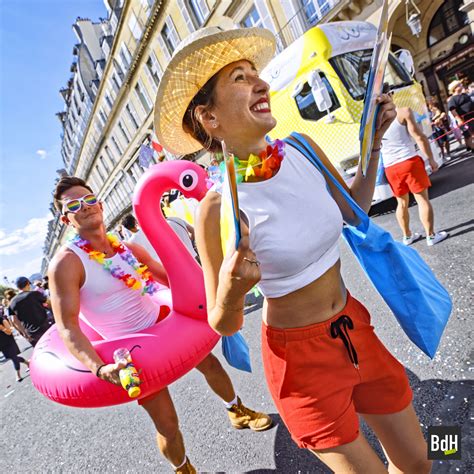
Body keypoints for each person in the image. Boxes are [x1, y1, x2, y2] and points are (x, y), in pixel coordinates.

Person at [153, 25, 432, 473]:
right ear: (210, 118)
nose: (260, 83)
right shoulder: (216, 208)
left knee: (418, 461)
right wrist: (231, 286)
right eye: (239, 79)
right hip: (299, 362)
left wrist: (374, 144)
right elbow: (222, 323)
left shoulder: (301, 149)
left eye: (253, 73)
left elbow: (354, 212)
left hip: (354, 326)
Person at [48, 176, 271, 474]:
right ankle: (183, 468)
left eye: (89, 200)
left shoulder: (128, 249)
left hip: (164, 325)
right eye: (74, 205)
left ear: (100, 204)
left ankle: (236, 410)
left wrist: (216, 298)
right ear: (66, 218)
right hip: (131, 352)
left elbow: (170, 279)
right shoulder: (66, 263)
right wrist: (99, 368)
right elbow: (68, 327)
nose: (85, 207)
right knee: (167, 424)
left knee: (212, 366)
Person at [381, 106, 449, 246]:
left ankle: (407, 236)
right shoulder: (403, 111)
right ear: (389, 95)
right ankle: (431, 236)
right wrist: (431, 158)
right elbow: (419, 137)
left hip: (390, 167)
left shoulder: (373, 120)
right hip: (408, 161)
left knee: (401, 203)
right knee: (422, 200)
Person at [122, 213, 199, 263]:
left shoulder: (131, 243)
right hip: (193, 255)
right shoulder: (175, 219)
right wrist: (190, 241)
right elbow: (193, 231)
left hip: (168, 266)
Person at [9, 277, 51, 346]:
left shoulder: (12, 302)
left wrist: (24, 333)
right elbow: (49, 303)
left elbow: (14, 320)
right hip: (45, 327)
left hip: (31, 333)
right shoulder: (34, 294)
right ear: (28, 283)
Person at [0, 313, 30, 382]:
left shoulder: (2, 320)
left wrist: (2, 328)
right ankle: (27, 363)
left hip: (9, 342)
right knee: (12, 357)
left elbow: (9, 332)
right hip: (2, 345)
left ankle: (18, 375)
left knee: (14, 358)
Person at [447, 79, 474, 152]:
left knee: (470, 135)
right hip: (464, 118)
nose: (461, 85)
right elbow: (453, 110)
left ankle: (469, 147)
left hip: (472, 116)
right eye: (459, 85)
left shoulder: (464, 95)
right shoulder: (452, 99)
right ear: (455, 88)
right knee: (469, 135)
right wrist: (458, 120)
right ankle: (472, 148)